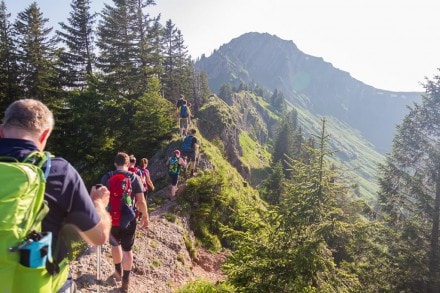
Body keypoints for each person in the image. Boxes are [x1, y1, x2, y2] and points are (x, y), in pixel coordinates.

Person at [0, 98, 111, 293]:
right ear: (44, 136)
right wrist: (99, 203)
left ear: (2, 130)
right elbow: (99, 236)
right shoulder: (58, 170)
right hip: (39, 285)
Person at [100, 152, 149, 293]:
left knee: (115, 245)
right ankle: (125, 282)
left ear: (115, 163)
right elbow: (141, 201)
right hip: (129, 219)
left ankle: (117, 272)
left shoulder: (107, 177)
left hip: (111, 218)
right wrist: (145, 216)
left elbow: (100, 199)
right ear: (128, 164)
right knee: (128, 250)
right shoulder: (135, 178)